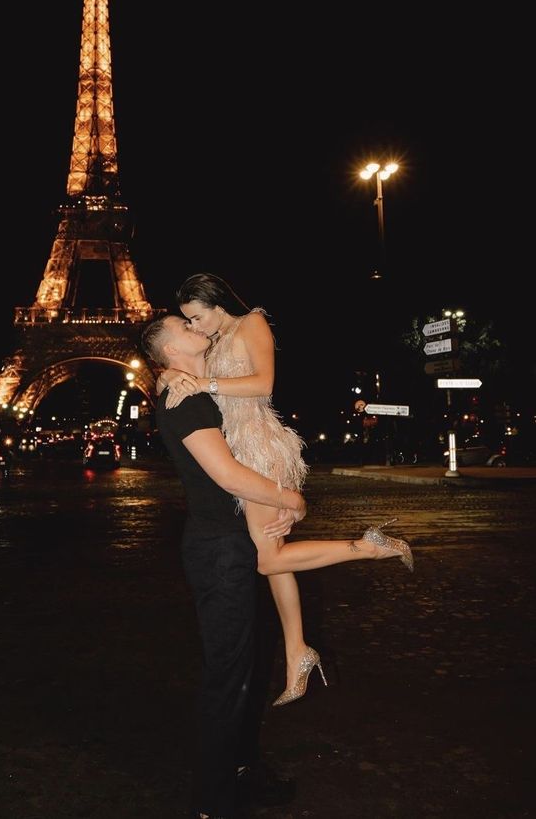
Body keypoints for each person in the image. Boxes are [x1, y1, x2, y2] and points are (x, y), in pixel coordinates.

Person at [158, 273, 414, 708]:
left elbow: (264, 384)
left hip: (259, 447)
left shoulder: (251, 323)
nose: (196, 327)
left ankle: (368, 547)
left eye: (197, 317)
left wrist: (204, 385)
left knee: (268, 559)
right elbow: (182, 367)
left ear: (216, 303)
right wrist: (170, 373)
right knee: (276, 561)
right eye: (188, 323)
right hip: (240, 449)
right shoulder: (214, 340)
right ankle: (298, 651)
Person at [140, 313, 306, 819]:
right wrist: (290, 499)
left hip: (225, 546)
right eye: (183, 326)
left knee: (244, 671)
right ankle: (213, 801)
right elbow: (229, 475)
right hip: (220, 552)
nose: (196, 327)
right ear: (169, 350)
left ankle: (240, 769)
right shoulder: (185, 399)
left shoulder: (190, 388)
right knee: (228, 677)